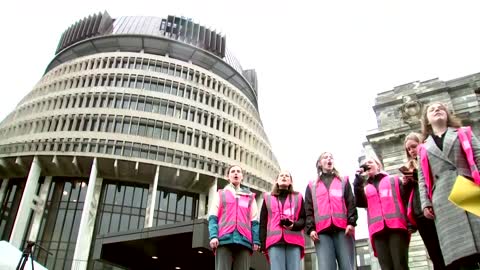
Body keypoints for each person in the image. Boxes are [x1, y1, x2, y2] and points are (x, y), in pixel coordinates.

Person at [417, 102, 480, 270]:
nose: (437, 110)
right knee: (461, 256)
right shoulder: (423, 148)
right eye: (431, 110)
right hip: (442, 199)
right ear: (427, 120)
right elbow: (422, 178)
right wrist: (425, 203)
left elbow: (478, 157)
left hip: (468, 189)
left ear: (447, 114)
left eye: (440, 108)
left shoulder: (463, 133)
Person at [354, 157, 410, 270]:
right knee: (385, 266)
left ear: (378, 165)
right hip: (377, 230)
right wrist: (357, 181)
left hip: (396, 226)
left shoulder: (394, 180)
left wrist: (410, 222)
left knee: (400, 264)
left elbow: (406, 200)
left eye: (370, 162)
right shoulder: (365, 188)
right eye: (365, 164)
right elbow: (359, 202)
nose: (367, 165)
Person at [400, 132, 446, 269]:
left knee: (447, 248)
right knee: (434, 253)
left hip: (437, 207)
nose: (411, 151)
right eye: (408, 149)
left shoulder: (431, 157)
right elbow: (406, 197)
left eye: (413, 146)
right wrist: (406, 184)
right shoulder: (408, 166)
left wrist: (416, 175)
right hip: (420, 213)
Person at [305, 152, 357, 270]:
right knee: (326, 267)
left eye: (331, 157)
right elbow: (308, 209)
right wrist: (311, 229)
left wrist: (351, 222)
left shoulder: (343, 181)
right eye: (325, 157)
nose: (329, 159)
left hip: (343, 230)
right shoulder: (311, 185)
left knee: (347, 266)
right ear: (319, 163)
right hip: (321, 233)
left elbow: (351, 203)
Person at [208, 165, 260, 270]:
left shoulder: (249, 197)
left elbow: (254, 221)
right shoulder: (221, 194)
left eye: (238, 171)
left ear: (242, 177)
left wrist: (256, 240)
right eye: (232, 171)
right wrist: (213, 236)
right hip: (223, 239)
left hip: (244, 240)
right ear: (228, 176)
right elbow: (213, 217)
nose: (235, 173)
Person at [259, 170, 305, 270]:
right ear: (276, 181)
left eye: (287, 176)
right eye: (281, 176)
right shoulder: (267, 198)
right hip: (274, 241)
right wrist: (262, 243)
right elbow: (263, 223)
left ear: (291, 182)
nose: (284, 177)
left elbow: (303, 219)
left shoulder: (299, 197)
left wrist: (294, 225)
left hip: (294, 240)